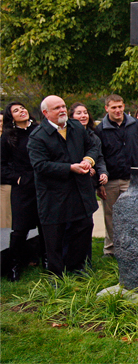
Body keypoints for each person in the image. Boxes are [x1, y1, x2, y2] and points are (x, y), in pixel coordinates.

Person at [27, 95, 100, 276]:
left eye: (63, 106)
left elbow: (93, 146)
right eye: (56, 108)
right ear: (45, 113)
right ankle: (57, 277)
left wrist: (87, 160)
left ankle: (78, 269)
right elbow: (40, 165)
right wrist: (69, 168)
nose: (62, 110)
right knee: (55, 239)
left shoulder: (76, 127)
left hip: (80, 192)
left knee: (82, 230)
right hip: (54, 197)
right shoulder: (38, 136)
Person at [95, 94, 138, 256]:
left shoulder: (137, 126)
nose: (117, 110)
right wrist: (100, 182)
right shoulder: (100, 130)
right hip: (111, 180)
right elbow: (99, 156)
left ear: (124, 106)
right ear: (107, 108)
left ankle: (134, 248)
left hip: (134, 179)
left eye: (120, 107)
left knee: (136, 214)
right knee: (111, 216)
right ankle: (111, 249)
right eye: (113, 107)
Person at [1, 102, 45, 281]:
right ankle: (14, 266)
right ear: (11, 117)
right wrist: (17, 178)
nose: (22, 111)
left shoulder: (39, 130)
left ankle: (47, 262)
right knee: (19, 230)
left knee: (45, 226)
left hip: (43, 185)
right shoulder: (7, 138)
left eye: (23, 108)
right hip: (23, 188)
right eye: (16, 110)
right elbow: (2, 166)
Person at [69, 103, 108, 198]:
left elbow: (99, 158)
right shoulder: (68, 136)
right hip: (71, 185)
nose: (83, 116)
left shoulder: (94, 137)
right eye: (79, 113)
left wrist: (103, 173)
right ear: (71, 116)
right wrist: (85, 167)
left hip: (89, 184)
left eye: (85, 113)